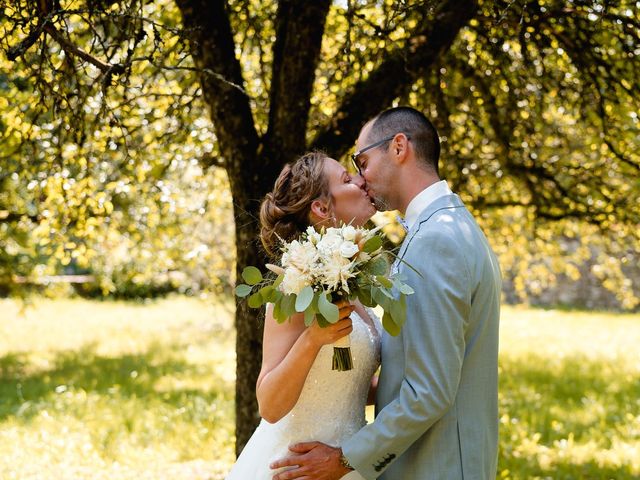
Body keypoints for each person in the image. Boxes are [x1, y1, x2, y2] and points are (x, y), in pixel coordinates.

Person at [271, 106, 502, 479]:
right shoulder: (452, 225)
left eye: (362, 161)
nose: (362, 179)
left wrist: (344, 459)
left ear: (398, 148)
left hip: (438, 466)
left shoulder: (437, 239)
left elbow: (428, 391)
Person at [225, 151, 381, 480]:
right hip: (298, 467)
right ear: (321, 209)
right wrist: (312, 340)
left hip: (344, 463)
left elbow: (342, 383)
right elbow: (269, 404)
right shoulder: (296, 287)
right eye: (346, 179)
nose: (360, 181)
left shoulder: (352, 281)